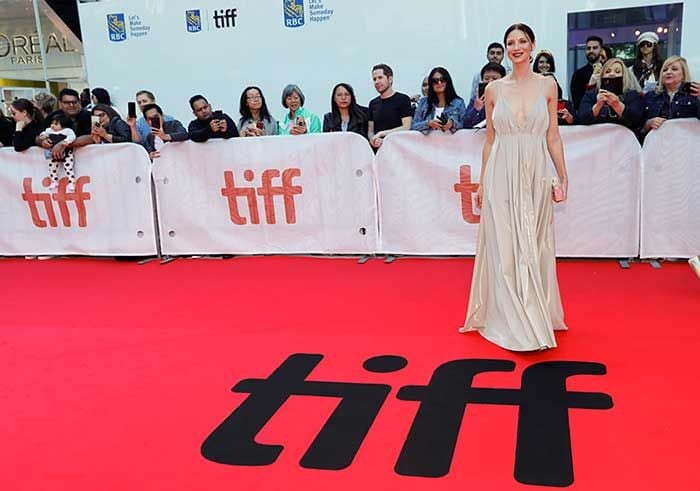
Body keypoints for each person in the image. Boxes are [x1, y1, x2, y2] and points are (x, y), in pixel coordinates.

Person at [460, 23, 568, 351]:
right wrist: (481, 182)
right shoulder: (494, 90)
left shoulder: (548, 85)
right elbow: (490, 141)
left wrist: (563, 176)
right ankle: (514, 321)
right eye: (511, 42)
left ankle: (536, 311)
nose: (516, 47)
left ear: (533, 46)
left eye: (522, 41)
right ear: (505, 49)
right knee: (505, 244)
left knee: (533, 243)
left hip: (535, 172)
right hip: (500, 173)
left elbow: (552, 136)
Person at [577, 58, 644, 131]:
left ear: (624, 76)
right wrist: (598, 105)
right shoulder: (591, 94)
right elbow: (581, 119)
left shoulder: (632, 94)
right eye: (608, 71)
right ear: (602, 75)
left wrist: (617, 105)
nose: (612, 74)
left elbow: (637, 121)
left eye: (617, 71)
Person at [642, 56, 700, 133]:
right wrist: (648, 123)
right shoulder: (650, 96)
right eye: (665, 70)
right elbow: (638, 126)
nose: (668, 72)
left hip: (687, 142)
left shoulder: (694, 95)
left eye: (674, 69)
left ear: (683, 74)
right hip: (657, 142)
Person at [37, 88, 92, 162]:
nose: (71, 105)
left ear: (79, 102)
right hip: (54, 162)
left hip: (85, 159)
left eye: (74, 102)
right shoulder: (52, 116)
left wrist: (63, 144)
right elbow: (37, 137)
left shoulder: (88, 116)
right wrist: (42, 142)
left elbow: (92, 137)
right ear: (60, 103)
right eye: (67, 102)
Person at [367, 64, 413, 149]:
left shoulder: (403, 99)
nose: (377, 82)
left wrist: (382, 133)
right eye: (374, 79)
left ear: (390, 79)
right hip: (379, 151)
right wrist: (373, 140)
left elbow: (407, 126)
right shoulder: (373, 103)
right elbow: (370, 130)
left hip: (400, 148)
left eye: (380, 77)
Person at [410, 67, 465, 134]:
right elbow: (413, 126)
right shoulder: (423, 102)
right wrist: (428, 123)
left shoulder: (458, 102)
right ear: (431, 84)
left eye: (442, 79)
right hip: (426, 143)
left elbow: (465, 126)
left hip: (452, 142)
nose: (439, 83)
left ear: (448, 81)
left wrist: (452, 123)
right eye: (435, 81)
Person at [39, 113, 77, 191]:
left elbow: (73, 137)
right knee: (52, 167)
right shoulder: (49, 130)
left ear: (63, 124)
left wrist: (66, 142)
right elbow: (43, 134)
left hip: (66, 153)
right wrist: (43, 137)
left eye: (56, 124)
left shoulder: (67, 131)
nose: (52, 125)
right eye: (52, 123)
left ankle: (71, 182)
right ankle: (54, 181)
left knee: (69, 168)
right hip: (52, 153)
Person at [463, 62, 505, 128]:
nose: (490, 82)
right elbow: (465, 125)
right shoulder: (476, 100)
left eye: (494, 78)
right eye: (486, 78)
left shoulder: (509, 98)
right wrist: (476, 109)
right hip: (480, 136)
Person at [570, 35, 604, 111]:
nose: (591, 51)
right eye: (588, 48)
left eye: (595, 48)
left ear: (601, 50)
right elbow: (577, 103)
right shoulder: (578, 75)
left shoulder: (609, 71)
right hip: (586, 117)